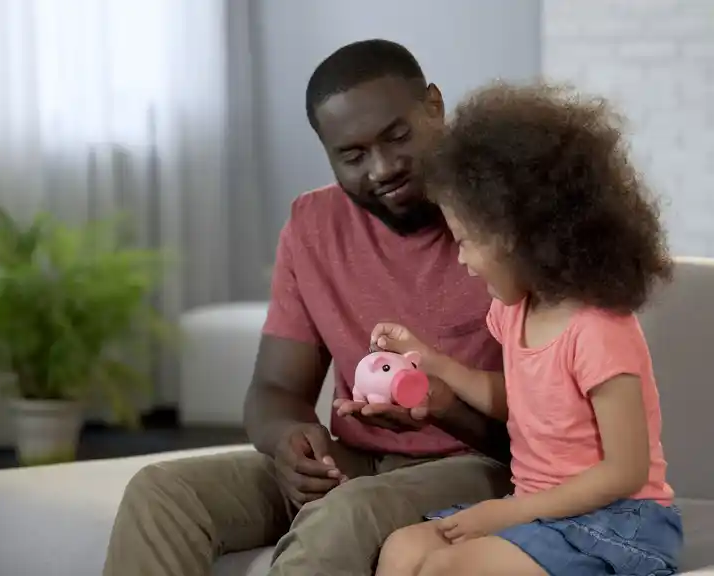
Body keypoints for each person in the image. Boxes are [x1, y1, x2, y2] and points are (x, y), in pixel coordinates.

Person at [101, 39, 512, 576]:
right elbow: (275, 391)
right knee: (162, 494)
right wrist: (288, 443)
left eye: (397, 136)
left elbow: (546, 429)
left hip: (481, 466)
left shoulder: (507, 217)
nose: (383, 167)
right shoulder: (313, 225)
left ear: (434, 105)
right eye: (353, 155)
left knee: (344, 515)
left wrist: (444, 408)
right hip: (361, 462)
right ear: (327, 152)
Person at [371, 82, 683, 576]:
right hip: (539, 510)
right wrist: (436, 364)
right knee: (402, 551)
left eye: (468, 242)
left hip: (619, 520)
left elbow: (627, 470)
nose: (463, 260)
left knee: (446, 569)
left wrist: (511, 511)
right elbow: (526, 403)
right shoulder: (515, 311)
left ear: (525, 235)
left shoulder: (600, 330)